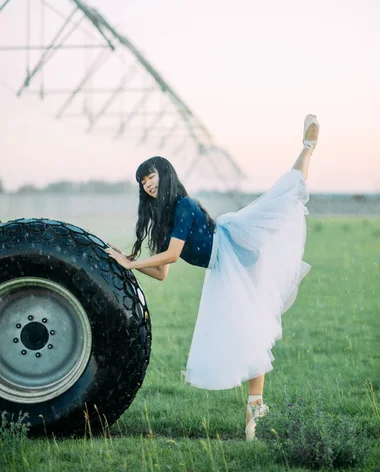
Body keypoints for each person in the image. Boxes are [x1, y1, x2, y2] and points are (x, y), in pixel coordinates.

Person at [105, 114, 320, 440]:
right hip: (228, 266)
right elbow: (162, 272)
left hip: (240, 247)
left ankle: (307, 149)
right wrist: (127, 263)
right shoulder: (165, 219)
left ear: (165, 175)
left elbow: (173, 255)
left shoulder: (185, 205)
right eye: (143, 182)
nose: (148, 185)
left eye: (151, 177)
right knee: (249, 335)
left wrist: (132, 264)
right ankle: (255, 406)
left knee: (284, 200)